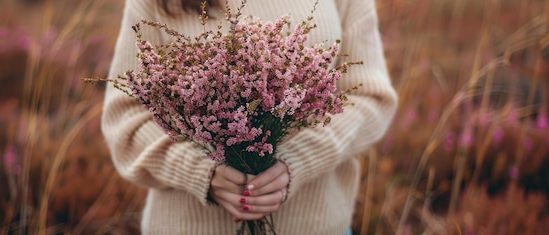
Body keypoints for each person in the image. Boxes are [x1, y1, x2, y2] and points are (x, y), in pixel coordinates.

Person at [101, 0, 398, 234]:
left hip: (317, 225)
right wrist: (200, 171)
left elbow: (370, 97)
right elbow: (125, 117)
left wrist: (301, 158)